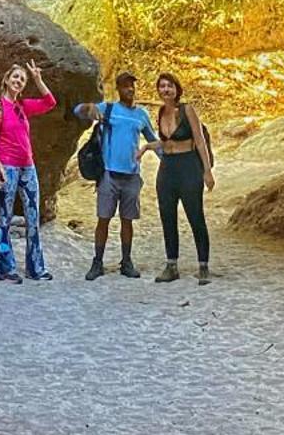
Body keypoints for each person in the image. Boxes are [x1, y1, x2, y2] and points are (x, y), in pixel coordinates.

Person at [72, 71, 158, 281]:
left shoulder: (141, 115)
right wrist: (89, 109)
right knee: (104, 219)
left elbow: (153, 139)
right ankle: (97, 262)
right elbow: (78, 111)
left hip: (131, 175)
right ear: (118, 89)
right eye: (125, 85)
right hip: (109, 174)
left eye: (132, 85)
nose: (130, 89)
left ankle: (126, 262)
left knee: (127, 220)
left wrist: (168, 156)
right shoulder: (109, 109)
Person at [0, 58, 57, 283]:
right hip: (6, 166)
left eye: (22, 79)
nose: (19, 81)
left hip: (28, 166)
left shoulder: (23, 106)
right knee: (5, 217)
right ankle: (4, 268)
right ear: (6, 80)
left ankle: (35, 267)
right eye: (16, 77)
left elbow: (50, 102)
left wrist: (38, 79)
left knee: (33, 216)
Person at [153, 71, 215, 285]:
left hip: (189, 166)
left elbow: (199, 141)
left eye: (169, 86)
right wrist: (145, 147)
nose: (165, 90)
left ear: (177, 89)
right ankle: (171, 265)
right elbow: (164, 142)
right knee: (167, 216)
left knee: (195, 216)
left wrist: (207, 171)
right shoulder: (161, 112)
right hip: (167, 168)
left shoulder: (187, 110)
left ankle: (203, 266)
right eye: (162, 86)